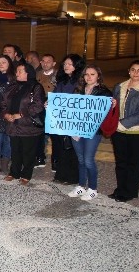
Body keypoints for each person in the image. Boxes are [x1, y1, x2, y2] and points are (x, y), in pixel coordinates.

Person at [109, 60, 139, 203]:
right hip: (118, 130)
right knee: (121, 162)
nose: (136, 73)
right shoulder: (119, 86)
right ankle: (120, 189)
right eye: (133, 70)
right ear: (129, 71)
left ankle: (130, 191)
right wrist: (113, 106)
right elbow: (114, 106)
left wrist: (122, 124)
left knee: (133, 163)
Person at [67, 65, 114, 201]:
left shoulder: (104, 92)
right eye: (86, 74)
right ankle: (81, 185)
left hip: (93, 131)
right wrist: (51, 105)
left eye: (92, 74)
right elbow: (69, 106)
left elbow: (108, 112)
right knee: (80, 159)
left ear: (98, 76)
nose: (89, 77)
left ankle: (93, 188)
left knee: (88, 160)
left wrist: (113, 105)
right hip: (76, 129)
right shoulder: (79, 90)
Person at [2, 63, 45, 185]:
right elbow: (4, 103)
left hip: (28, 126)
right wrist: (6, 114)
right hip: (13, 125)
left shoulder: (36, 87)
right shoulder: (13, 87)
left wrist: (21, 114)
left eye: (20, 71)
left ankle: (26, 174)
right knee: (15, 150)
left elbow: (38, 105)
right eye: (17, 71)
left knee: (28, 151)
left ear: (28, 73)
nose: (17, 74)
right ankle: (14, 172)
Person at [51, 54, 85, 184]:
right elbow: (56, 96)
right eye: (65, 64)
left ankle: (72, 177)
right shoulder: (62, 81)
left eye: (70, 64)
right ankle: (61, 175)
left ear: (77, 66)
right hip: (61, 119)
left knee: (72, 148)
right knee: (61, 147)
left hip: (74, 120)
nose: (66, 66)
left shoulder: (81, 82)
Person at [35, 53, 57, 168]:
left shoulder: (58, 75)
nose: (45, 63)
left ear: (53, 63)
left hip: (53, 106)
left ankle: (55, 161)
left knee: (54, 134)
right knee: (40, 133)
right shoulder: (36, 74)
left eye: (48, 61)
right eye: (43, 61)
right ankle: (40, 157)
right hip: (39, 106)